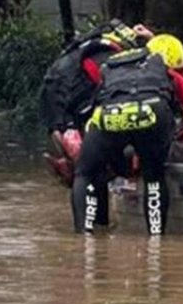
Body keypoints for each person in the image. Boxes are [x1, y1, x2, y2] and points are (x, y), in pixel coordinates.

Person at [71, 34, 183, 236]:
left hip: (110, 117)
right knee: (153, 175)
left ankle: (85, 235)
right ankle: (155, 240)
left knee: (86, 173)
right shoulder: (166, 73)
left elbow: (94, 103)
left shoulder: (112, 68)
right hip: (153, 116)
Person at [40, 20, 152, 185]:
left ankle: (70, 164)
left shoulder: (87, 46)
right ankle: (84, 171)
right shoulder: (107, 56)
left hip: (52, 96)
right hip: (75, 99)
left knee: (71, 136)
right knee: (94, 160)